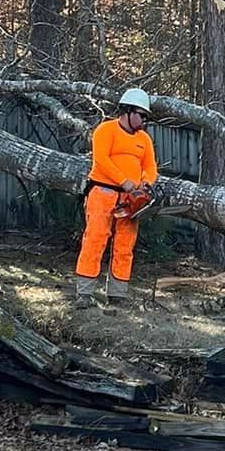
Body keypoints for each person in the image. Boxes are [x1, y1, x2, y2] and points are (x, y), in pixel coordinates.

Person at [75, 88, 158, 304]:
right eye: (141, 115)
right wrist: (124, 181)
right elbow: (101, 159)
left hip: (130, 199)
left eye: (146, 117)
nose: (143, 120)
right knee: (95, 238)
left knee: (125, 244)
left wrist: (145, 184)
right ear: (128, 111)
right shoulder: (106, 130)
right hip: (103, 191)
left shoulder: (144, 140)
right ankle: (84, 292)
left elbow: (150, 166)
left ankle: (118, 293)